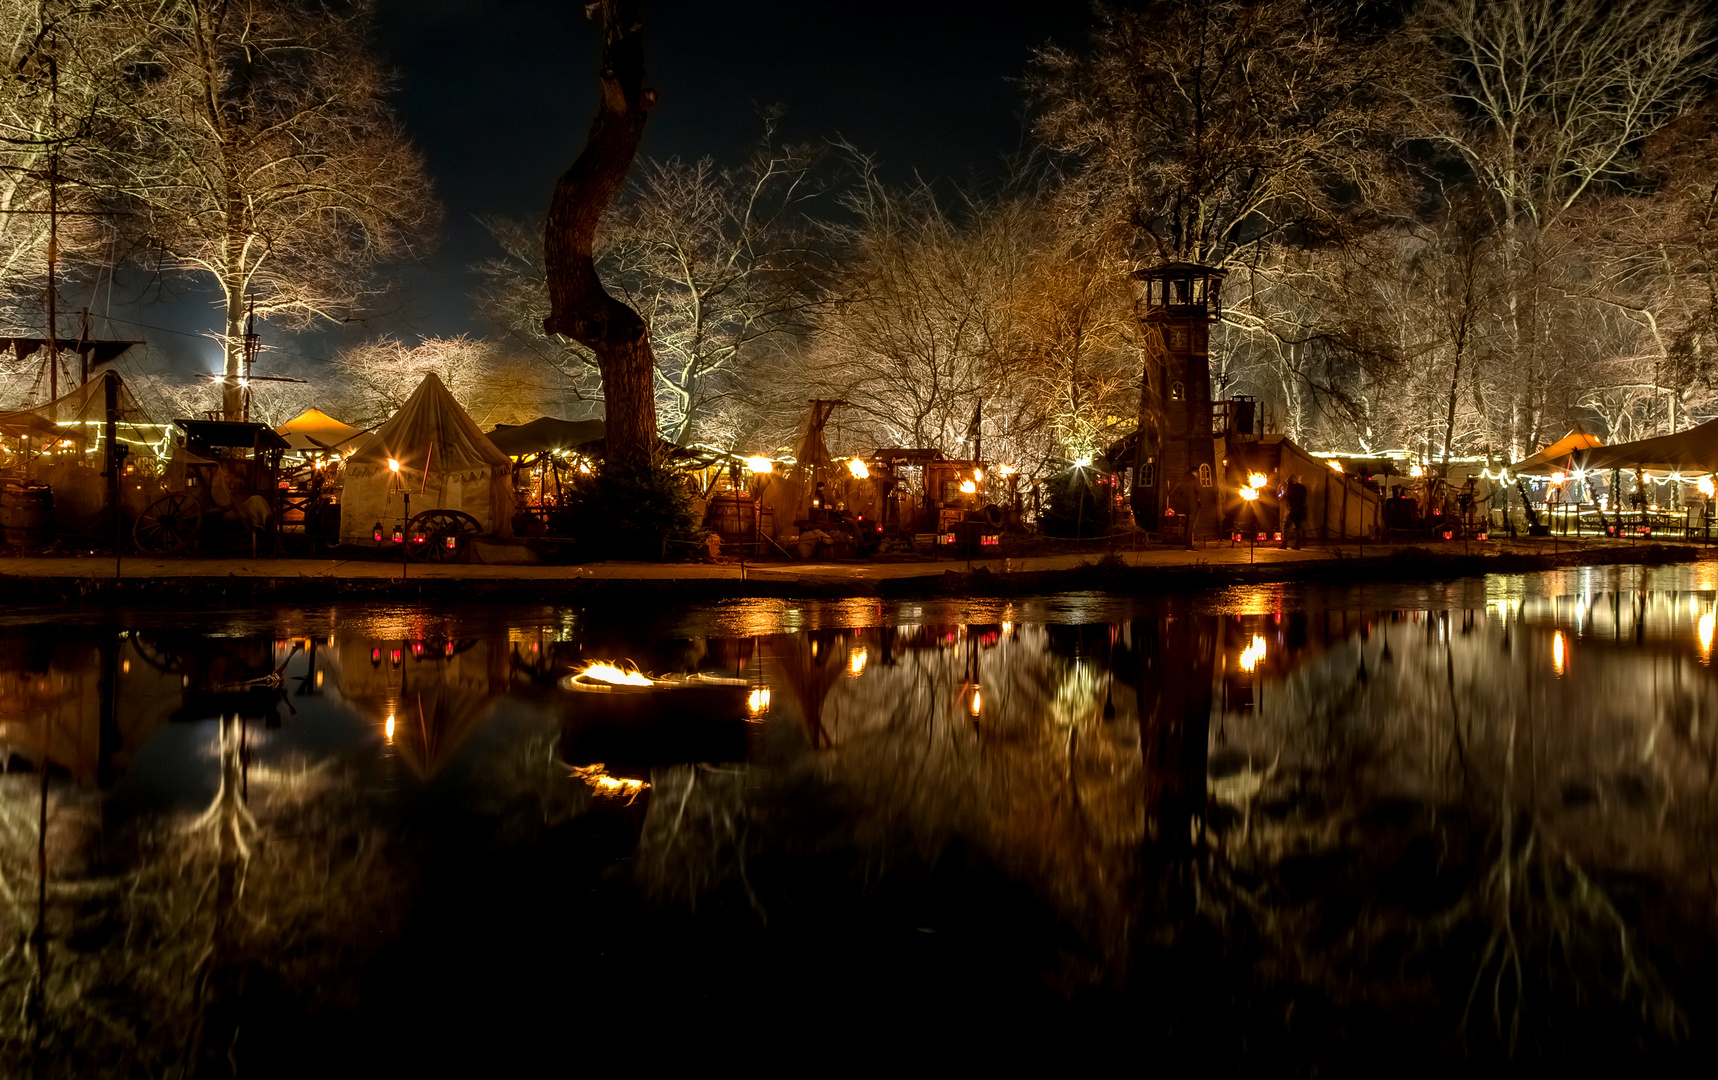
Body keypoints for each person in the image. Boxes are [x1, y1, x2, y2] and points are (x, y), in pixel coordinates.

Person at [1282, 473, 1308, 549]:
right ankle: (1297, 545)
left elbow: (1287, 497)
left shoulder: (1290, 487)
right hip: (1301, 510)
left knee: (1286, 526)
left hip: (1292, 509)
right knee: (1298, 528)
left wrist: (1282, 498)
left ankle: (1284, 544)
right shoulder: (1303, 487)